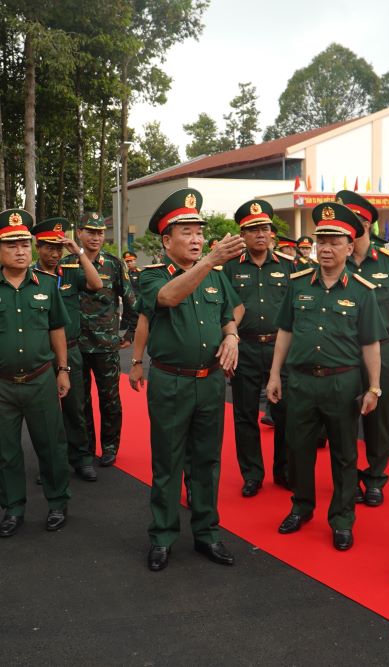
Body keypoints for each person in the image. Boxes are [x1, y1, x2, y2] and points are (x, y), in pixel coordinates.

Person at [267, 202, 385, 551]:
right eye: (322, 241)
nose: (327, 248)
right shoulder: (298, 284)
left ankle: (342, 519)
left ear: (350, 247)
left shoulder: (362, 291)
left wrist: (374, 387)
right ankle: (301, 507)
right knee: (298, 448)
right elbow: (285, 332)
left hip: (342, 382)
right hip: (301, 381)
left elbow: (371, 345)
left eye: (335, 241)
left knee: (345, 454)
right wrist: (275, 375)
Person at [139, 188, 244, 572]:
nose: (197, 238)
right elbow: (167, 298)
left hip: (211, 382)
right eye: (186, 231)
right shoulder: (152, 277)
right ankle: (162, 536)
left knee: (206, 461)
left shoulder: (215, 277)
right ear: (167, 240)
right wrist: (210, 261)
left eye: (199, 231)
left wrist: (232, 335)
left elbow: (229, 314)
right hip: (171, 382)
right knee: (167, 462)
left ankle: (206, 533)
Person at [0, 209, 72, 536]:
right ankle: (13, 509)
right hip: (0, 384)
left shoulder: (49, 285)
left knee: (50, 446)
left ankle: (57, 503)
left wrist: (63, 369)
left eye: (25, 243)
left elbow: (56, 329)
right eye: (12, 245)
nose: (21, 250)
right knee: (6, 450)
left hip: (40, 378)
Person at [336, 190, 389, 506]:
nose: (344, 234)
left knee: (379, 418)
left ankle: (376, 476)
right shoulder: (334, 261)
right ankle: (349, 477)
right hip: (342, 352)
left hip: (383, 351)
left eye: (350, 226)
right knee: (343, 418)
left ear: (365, 224)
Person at [224, 199, 293, 497]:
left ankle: (285, 471)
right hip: (245, 349)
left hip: (281, 350)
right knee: (245, 414)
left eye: (265, 228)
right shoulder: (228, 269)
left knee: (285, 413)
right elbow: (223, 311)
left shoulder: (291, 266)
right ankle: (252, 473)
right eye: (253, 229)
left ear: (273, 233)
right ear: (243, 234)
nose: (260, 234)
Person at [33, 218, 103, 481]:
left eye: (58, 249)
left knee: (76, 407)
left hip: (71, 351)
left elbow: (96, 285)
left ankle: (82, 459)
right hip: (41, 354)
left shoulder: (70, 271)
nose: (54, 254)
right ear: (37, 247)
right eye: (49, 248)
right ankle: (51, 462)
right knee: (46, 412)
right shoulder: (30, 276)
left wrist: (79, 253)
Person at [69, 211, 137, 467]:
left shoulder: (114, 264)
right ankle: (86, 447)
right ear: (80, 233)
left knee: (110, 400)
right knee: (80, 401)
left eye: (99, 232)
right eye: (90, 231)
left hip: (106, 345)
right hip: (76, 345)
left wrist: (129, 332)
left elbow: (131, 301)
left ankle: (110, 446)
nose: (96, 237)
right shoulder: (69, 262)